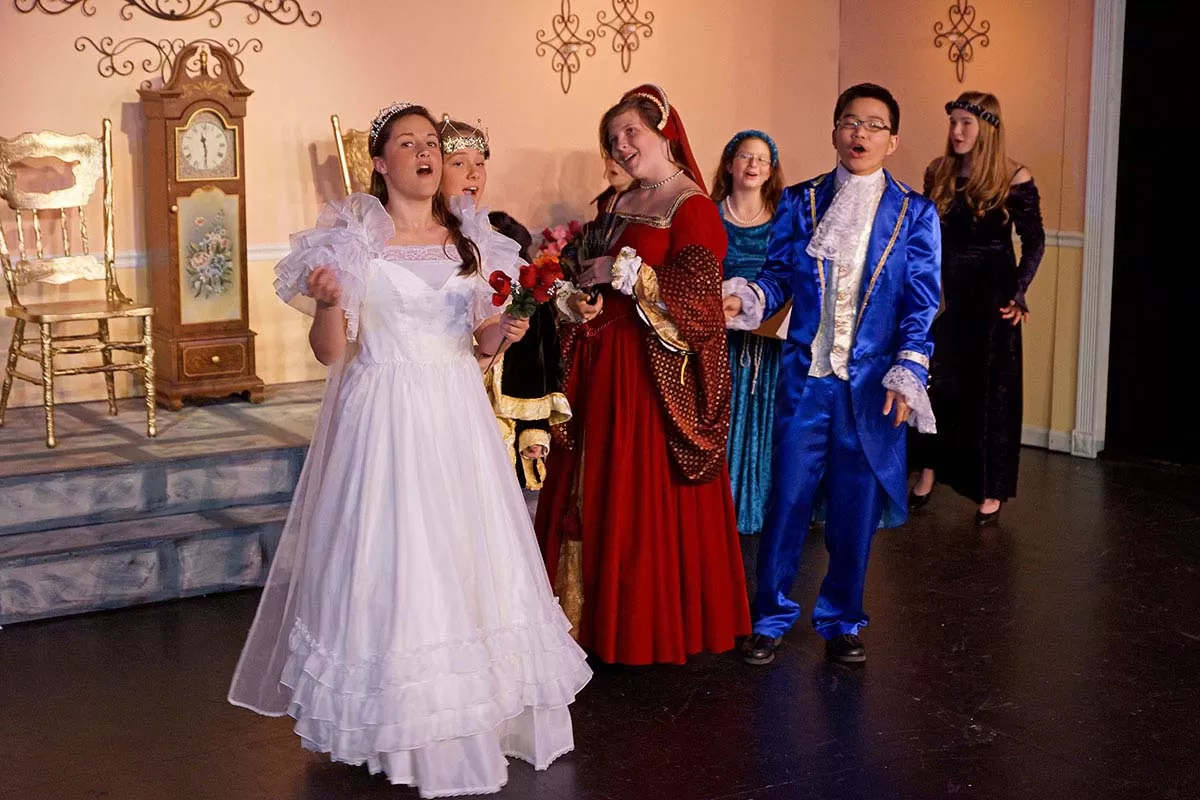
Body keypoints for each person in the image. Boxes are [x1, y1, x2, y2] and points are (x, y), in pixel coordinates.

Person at [227, 102, 590, 798]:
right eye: (408, 143)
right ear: (380, 161)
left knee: (463, 556)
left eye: (431, 143)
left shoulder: (473, 241)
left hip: (455, 414)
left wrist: (506, 330)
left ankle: (478, 715)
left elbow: (479, 344)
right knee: (398, 561)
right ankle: (400, 728)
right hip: (385, 416)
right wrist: (328, 303)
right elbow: (331, 352)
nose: (425, 153)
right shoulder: (353, 244)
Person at [724, 83, 941, 665]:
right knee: (787, 499)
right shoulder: (801, 201)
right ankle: (769, 617)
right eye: (849, 122)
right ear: (835, 131)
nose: (859, 133)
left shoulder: (916, 212)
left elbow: (921, 301)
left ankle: (843, 618)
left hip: (872, 388)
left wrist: (908, 368)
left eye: (873, 125)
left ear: (893, 141)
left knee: (855, 508)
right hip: (807, 380)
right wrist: (747, 298)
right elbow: (778, 275)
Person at [535, 84, 750, 665]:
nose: (621, 145)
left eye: (630, 131)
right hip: (600, 363)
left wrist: (636, 277)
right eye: (612, 138)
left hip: (650, 379)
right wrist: (579, 293)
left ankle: (640, 627)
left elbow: (700, 303)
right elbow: (585, 267)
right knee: (591, 487)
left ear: (663, 130)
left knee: (638, 494)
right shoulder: (620, 199)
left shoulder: (692, 206)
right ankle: (585, 621)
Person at [908, 92, 1045, 526]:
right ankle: (928, 470)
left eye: (966, 123)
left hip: (991, 300)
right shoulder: (939, 171)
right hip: (945, 294)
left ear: (987, 128)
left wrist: (1019, 292)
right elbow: (925, 235)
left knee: (989, 393)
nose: (956, 131)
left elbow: (1035, 241)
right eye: (953, 122)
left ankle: (989, 488)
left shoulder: (1013, 176)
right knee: (937, 385)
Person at [438, 115, 570, 490]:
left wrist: (510, 327)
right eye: (459, 163)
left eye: (480, 164)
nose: (473, 174)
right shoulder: (423, 241)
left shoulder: (496, 242)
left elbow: (496, 332)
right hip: (435, 383)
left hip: (486, 386)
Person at [710, 129, 786, 535]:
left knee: (763, 423)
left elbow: (790, 276)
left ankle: (757, 508)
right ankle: (715, 510)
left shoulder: (783, 221)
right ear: (729, 164)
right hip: (717, 340)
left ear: (770, 171)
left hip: (767, 345)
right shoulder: (709, 215)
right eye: (744, 156)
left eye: (761, 159)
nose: (753, 165)